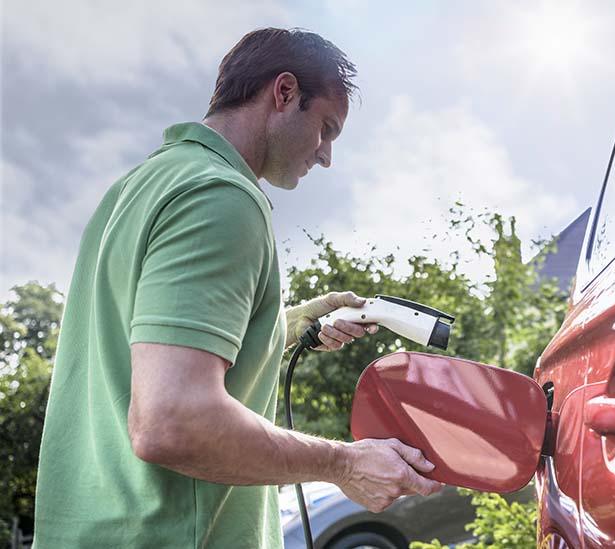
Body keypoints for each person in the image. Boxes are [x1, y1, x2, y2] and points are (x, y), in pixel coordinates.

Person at [33, 28, 441, 548]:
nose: (326, 156)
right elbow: (173, 420)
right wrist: (343, 463)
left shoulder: (141, 186)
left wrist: (289, 324)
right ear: (285, 93)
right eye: (326, 129)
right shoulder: (220, 197)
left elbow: (150, 342)